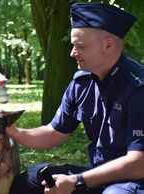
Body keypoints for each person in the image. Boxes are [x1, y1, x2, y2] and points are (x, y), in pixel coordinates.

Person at [7, 2, 144, 194]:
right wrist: (14, 131)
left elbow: (138, 164)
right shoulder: (82, 83)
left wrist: (77, 181)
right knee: (28, 181)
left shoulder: (138, 88)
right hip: (96, 175)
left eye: (80, 46)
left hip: (133, 181)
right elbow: (53, 133)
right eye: (73, 46)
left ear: (108, 44)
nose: (73, 53)